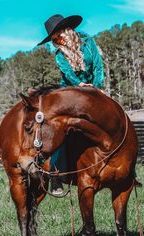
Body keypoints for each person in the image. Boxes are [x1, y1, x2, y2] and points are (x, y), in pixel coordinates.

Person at [37, 14, 104, 194]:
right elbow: (70, 76)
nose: (55, 42)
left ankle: (127, 170)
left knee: (116, 118)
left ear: (66, 32)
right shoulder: (59, 55)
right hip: (70, 90)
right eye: (53, 40)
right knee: (61, 129)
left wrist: (96, 88)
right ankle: (55, 174)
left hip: (94, 88)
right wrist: (81, 86)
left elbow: (98, 66)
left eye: (57, 37)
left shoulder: (88, 42)